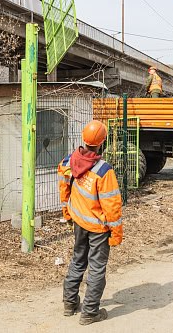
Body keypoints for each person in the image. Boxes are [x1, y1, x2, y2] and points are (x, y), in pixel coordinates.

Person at [58, 119, 123, 325]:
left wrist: (67, 213)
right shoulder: (104, 171)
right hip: (98, 228)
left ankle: (70, 304)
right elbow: (111, 206)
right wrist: (116, 233)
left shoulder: (69, 161)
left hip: (79, 222)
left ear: (83, 139)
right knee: (96, 268)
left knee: (78, 260)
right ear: (102, 142)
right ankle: (90, 313)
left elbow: (64, 188)